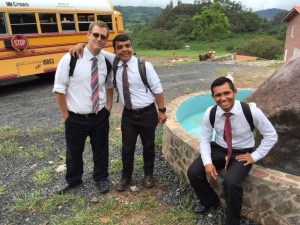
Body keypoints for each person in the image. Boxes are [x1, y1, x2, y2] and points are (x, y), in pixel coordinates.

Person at [71, 33, 167, 191]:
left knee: (148, 146)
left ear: (132, 46)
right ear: (115, 50)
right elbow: (96, 48)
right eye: (120, 47)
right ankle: (126, 177)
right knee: (127, 148)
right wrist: (81, 44)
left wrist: (162, 110)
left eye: (127, 46)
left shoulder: (144, 66)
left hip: (147, 113)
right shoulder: (114, 61)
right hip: (128, 114)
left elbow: (158, 90)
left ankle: (148, 174)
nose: (124, 50)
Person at [187, 77, 278, 225]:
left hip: (241, 152)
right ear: (213, 97)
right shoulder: (210, 112)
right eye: (218, 95)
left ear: (235, 92)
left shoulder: (251, 111)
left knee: (231, 182)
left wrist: (255, 156)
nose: (223, 98)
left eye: (226, 93)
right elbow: (204, 139)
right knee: (194, 172)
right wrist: (208, 162)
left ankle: (232, 221)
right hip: (219, 148)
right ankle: (209, 200)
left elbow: (271, 135)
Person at [53, 21, 114, 194]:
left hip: (100, 115)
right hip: (75, 117)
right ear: (88, 35)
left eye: (103, 37)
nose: (99, 39)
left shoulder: (106, 61)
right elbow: (59, 89)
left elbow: (109, 84)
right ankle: (73, 179)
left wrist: (109, 106)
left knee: (101, 150)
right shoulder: (70, 59)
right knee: (73, 151)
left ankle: (101, 178)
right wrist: (66, 116)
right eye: (95, 35)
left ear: (106, 40)